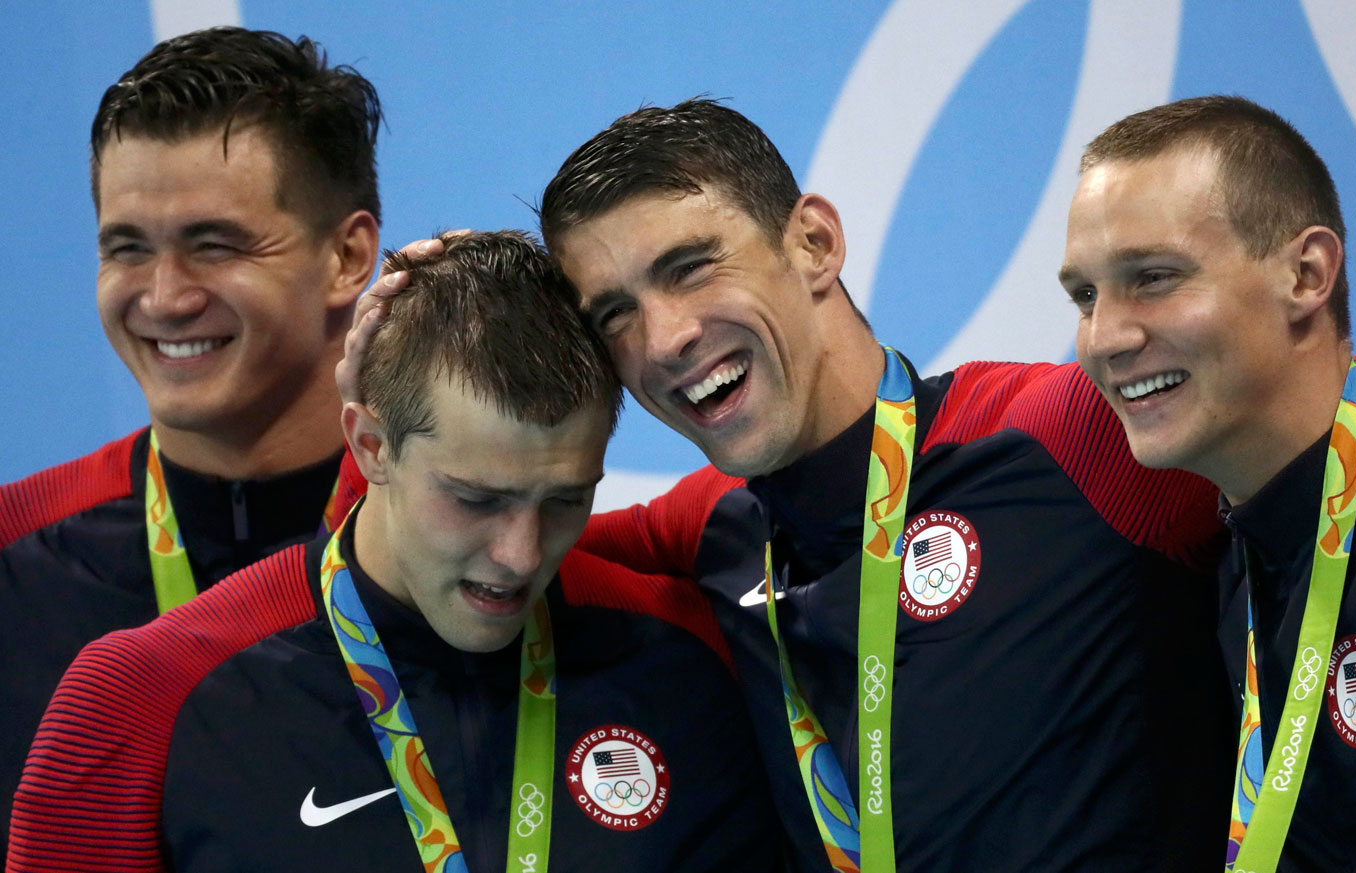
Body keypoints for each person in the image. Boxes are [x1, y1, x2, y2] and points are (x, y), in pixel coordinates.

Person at [349, 99, 1235, 871]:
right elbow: (420, 561)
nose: (663, 340)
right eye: (614, 314)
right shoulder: (707, 534)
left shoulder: (1070, 438)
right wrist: (402, 382)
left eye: (690, 266)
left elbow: (1339, 416)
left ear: (814, 241)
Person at [8, 232, 781, 873]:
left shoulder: (688, 653)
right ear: (370, 445)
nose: (518, 554)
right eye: (475, 499)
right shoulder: (142, 698)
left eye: (564, 499)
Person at [0, 27, 380, 850]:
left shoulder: (478, 552)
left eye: (215, 245)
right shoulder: (14, 563)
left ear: (348, 257)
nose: (165, 298)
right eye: (127, 249)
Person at [1063, 94, 1356, 873]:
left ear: (1306, 273)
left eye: (1153, 277)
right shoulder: (1230, 563)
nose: (1104, 337)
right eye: (1084, 296)